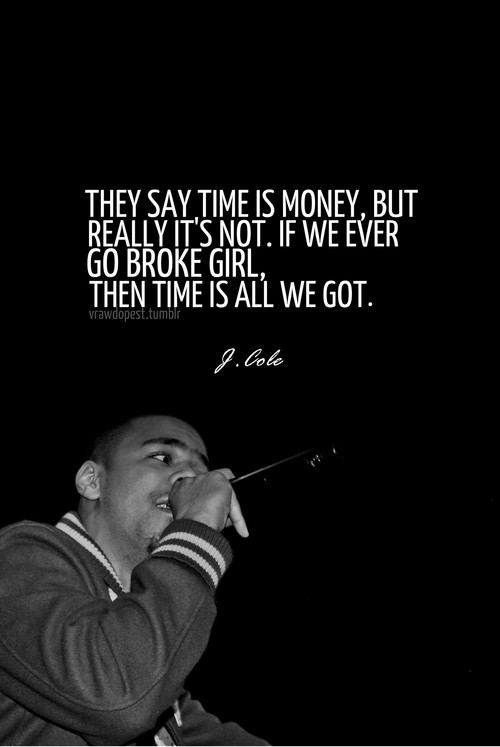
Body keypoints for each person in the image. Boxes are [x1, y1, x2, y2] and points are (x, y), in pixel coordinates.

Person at [0, 413, 268, 745]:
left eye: (201, 471)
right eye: (163, 458)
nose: (191, 477)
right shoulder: (16, 556)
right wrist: (197, 524)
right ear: (92, 481)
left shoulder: (142, 643)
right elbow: (118, 698)